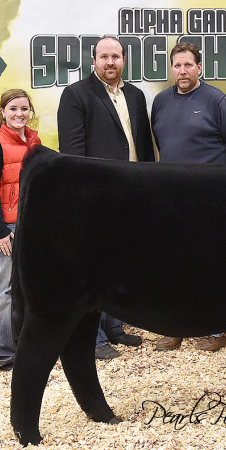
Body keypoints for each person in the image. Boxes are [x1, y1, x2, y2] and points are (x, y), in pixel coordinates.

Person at [57, 36, 152, 360]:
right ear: (94, 60)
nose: (110, 62)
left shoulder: (136, 96)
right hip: (96, 197)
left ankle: (114, 328)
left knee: (121, 266)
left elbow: (142, 145)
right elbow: (72, 153)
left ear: (123, 59)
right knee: (91, 269)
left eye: (116, 56)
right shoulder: (76, 94)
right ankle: (92, 337)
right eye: (104, 57)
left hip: (133, 196)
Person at [151, 42, 226, 351]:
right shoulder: (161, 101)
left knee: (213, 266)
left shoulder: (216, 100)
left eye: (188, 65)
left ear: (199, 67)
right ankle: (175, 326)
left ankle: (217, 328)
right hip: (172, 200)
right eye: (177, 65)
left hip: (212, 200)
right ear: (171, 68)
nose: (183, 71)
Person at [0, 89, 42, 370]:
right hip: (6, 226)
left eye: (24, 109)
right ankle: (0, 352)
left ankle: (22, 346)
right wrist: (0, 230)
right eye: (13, 109)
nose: (19, 114)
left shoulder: (34, 140)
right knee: (2, 289)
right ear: (2, 112)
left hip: (30, 223)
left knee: (24, 288)